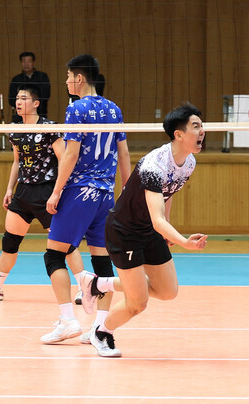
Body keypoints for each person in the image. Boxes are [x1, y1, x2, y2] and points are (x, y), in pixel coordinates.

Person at [79, 103, 208, 357]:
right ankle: (101, 332)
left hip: (149, 229)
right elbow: (157, 217)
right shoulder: (154, 165)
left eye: (202, 125)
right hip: (124, 231)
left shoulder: (188, 162)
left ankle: (98, 284)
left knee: (168, 291)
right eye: (196, 126)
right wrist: (182, 241)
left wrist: (166, 231)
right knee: (138, 303)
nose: (202, 131)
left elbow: (167, 194)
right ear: (178, 134)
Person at [40, 54, 131, 345]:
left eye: (68, 76)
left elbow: (71, 153)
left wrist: (56, 191)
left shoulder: (76, 108)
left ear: (79, 78)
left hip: (80, 191)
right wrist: (126, 193)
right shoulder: (114, 108)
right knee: (103, 261)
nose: (66, 81)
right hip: (106, 195)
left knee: (54, 254)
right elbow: (125, 154)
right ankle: (100, 328)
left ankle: (68, 320)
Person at [0, 84, 82, 300]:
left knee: (65, 243)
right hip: (23, 192)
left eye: (23, 98)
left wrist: (58, 190)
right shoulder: (15, 129)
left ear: (35, 103)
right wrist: (9, 189)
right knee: (10, 241)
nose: (18, 102)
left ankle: (84, 286)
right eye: (17, 98)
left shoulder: (49, 127)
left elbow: (63, 158)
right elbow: (17, 161)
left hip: (46, 191)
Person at [8, 52, 51, 122]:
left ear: (33, 62)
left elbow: (46, 95)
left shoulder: (42, 76)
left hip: (40, 112)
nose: (26, 64)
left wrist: (32, 104)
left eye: (29, 61)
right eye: (24, 62)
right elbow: (11, 99)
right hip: (20, 116)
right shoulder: (16, 79)